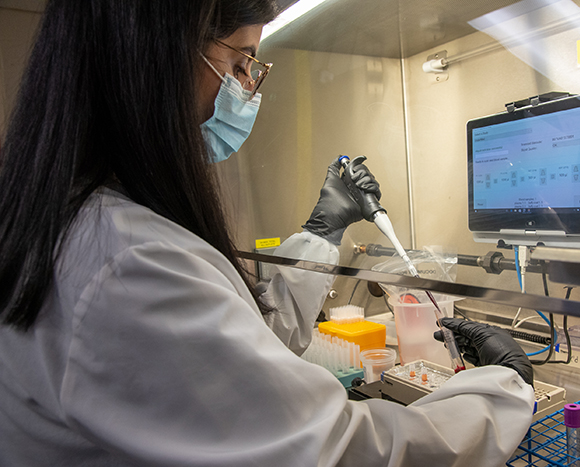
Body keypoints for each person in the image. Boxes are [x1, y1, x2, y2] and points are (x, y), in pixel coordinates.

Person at [0, 1, 535, 466]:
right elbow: (336, 454)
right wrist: (505, 388)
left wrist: (321, 229)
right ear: (152, 61)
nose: (246, 88)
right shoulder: (125, 262)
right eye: (236, 61)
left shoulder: (86, 225)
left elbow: (242, 357)